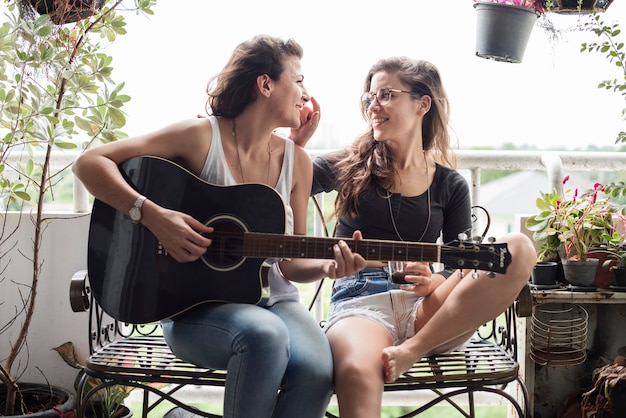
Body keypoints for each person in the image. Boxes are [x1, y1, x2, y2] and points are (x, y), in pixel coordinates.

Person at [72, 35, 366, 418]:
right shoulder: (199, 138)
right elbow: (89, 163)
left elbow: (289, 262)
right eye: (298, 81)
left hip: (275, 303)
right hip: (193, 309)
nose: (306, 96)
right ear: (265, 85)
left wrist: (328, 266)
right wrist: (153, 216)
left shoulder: (298, 162)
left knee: (317, 369)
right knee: (264, 336)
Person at [294, 56, 536, 418]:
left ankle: (413, 351)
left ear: (423, 103)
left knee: (518, 247)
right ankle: (405, 352)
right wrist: (295, 145)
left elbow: (459, 267)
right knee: (359, 371)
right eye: (369, 98)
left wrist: (434, 279)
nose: (373, 106)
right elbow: (278, 185)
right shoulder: (348, 163)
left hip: (431, 313)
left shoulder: (449, 184)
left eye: (386, 95)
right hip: (361, 301)